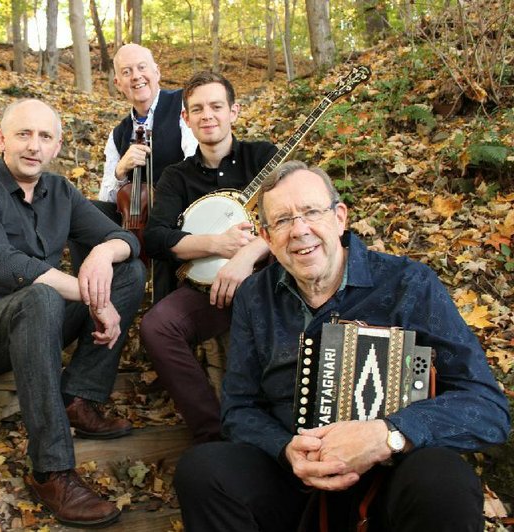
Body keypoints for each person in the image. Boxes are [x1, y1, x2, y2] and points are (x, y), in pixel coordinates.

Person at [173, 160, 510, 531]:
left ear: (340, 218)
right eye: (283, 220)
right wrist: (285, 451)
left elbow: (486, 406)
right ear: (266, 238)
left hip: (390, 479)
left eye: (311, 212)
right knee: (202, 470)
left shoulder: (407, 284)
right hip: (293, 481)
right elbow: (239, 408)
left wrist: (389, 434)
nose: (299, 230)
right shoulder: (255, 296)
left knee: (443, 477)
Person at [0, 99, 146, 528]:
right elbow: (0, 264)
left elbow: (126, 239)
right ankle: (50, 470)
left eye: (44, 137)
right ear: (1, 140)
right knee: (42, 295)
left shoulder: (61, 192)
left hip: (38, 319)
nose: (34, 146)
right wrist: (91, 298)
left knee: (128, 271)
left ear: (57, 146)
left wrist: (104, 254)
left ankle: (78, 398)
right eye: (23, 134)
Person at [140, 71, 278, 444]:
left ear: (233, 111)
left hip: (270, 283)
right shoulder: (176, 178)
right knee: (157, 327)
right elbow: (156, 238)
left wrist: (247, 254)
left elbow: (294, 217)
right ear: (185, 118)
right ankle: (212, 436)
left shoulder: (263, 157)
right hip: (208, 291)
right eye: (197, 109)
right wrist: (217, 245)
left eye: (216, 106)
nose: (207, 115)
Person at [70, 44, 197, 301]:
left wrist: (165, 196)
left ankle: (161, 307)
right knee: (81, 214)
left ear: (156, 72)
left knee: (160, 234)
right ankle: (91, 292)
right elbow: (107, 197)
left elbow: (195, 160)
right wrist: (120, 169)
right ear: (118, 82)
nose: (136, 76)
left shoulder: (183, 105)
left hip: (178, 210)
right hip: (135, 217)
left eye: (142, 67)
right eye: (127, 71)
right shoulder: (118, 133)